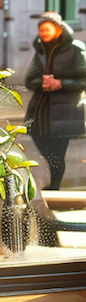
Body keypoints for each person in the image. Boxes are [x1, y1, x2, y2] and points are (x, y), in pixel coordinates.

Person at [24, 11, 86, 190]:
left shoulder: (76, 49)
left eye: (47, 29)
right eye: (41, 30)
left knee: (58, 152)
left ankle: (55, 184)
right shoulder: (41, 51)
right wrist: (42, 83)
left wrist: (61, 83)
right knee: (40, 139)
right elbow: (30, 80)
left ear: (58, 30)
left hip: (66, 110)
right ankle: (55, 179)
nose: (43, 33)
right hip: (41, 111)